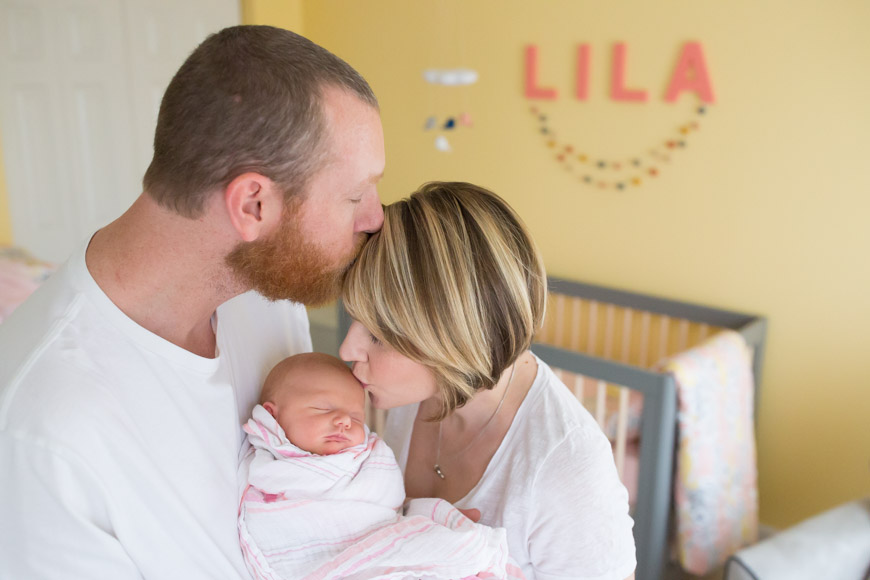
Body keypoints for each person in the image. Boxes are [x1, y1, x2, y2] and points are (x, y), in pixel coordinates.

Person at [0, 25, 384, 579]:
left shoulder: (265, 292)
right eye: (354, 195)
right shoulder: (45, 432)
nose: (374, 218)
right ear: (253, 203)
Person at [339, 182, 637, 580]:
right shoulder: (413, 395)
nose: (346, 350)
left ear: (448, 336)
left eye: (376, 334)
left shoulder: (567, 470)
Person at [238, 352, 524, 580]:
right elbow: (274, 523)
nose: (344, 421)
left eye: (355, 417)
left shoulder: (366, 456)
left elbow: (385, 503)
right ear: (272, 416)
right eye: (323, 409)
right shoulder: (271, 469)